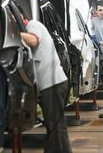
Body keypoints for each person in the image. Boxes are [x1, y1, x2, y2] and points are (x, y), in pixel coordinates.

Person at [21, 20, 72, 153]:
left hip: (53, 83)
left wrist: (14, 33)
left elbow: (33, 41)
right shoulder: (28, 29)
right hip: (52, 84)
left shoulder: (33, 25)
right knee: (56, 126)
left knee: (55, 126)